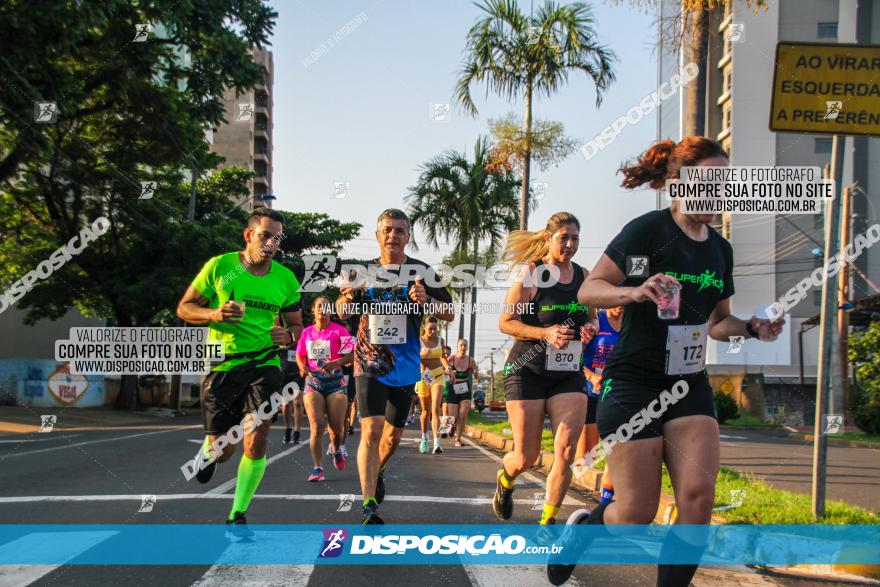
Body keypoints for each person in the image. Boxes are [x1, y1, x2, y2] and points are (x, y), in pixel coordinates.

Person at [547, 138, 785, 586]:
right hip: (634, 380)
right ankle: (582, 532)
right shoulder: (648, 231)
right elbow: (589, 289)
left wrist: (752, 328)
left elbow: (718, 323)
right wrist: (634, 291)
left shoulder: (720, 250)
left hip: (687, 384)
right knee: (635, 514)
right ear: (679, 180)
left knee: (698, 497)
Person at [176, 208, 303, 539]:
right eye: (265, 235)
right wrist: (214, 313)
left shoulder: (286, 279)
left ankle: (237, 513)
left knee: (257, 430)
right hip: (223, 363)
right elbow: (185, 308)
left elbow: (297, 327)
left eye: (277, 238)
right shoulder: (221, 267)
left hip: (264, 363)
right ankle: (208, 453)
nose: (271, 243)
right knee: (224, 447)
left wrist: (288, 336)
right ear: (249, 236)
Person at [336, 208, 454, 524]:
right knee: (371, 431)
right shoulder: (360, 271)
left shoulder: (422, 271)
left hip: (405, 365)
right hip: (368, 361)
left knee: (392, 438)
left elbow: (450, 313)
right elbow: (342, 310)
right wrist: (347, 300)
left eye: (400, 230)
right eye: (387, 229)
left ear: (407, 237)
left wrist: (426, 299)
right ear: (377, 235)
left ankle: (380, 468)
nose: (393, 235)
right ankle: (369, 505)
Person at [493, 212, 594, 528]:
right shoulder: (532, 274)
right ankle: (506, 479)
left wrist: (590, 328)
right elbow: (506, 322)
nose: (570, 244)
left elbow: (592, 316)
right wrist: (545, 332)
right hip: (528, 370)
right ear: (549, 239)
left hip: (567, 371)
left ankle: (547, 522)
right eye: (564, 237)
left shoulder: (584, 276)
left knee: (565, 451)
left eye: (575, 238)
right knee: (526, 457)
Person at [295, 296, 354, 481]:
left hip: (335, 382)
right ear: (313, 310)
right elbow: (300, 355)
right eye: (319, 306)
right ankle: (317, 468)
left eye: (326, 306)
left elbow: (352, 355)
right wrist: (302, 367)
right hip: (314, 382)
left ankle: (335, 449)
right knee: (317, 426)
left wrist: (337, 362)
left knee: (336, 429)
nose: (323, 309)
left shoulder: (340, 331)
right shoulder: (306, 333)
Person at [576, 307, 623, 504]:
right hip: (591, 392)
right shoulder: (596, 322)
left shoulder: (632, 322)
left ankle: (605, 502)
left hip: (619, 393)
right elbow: (575, 356)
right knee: (585, 459)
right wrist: (590, 376)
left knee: (616, 447)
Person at [416, 318, 448, 453]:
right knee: (425, 411)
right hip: (423, 377)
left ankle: (437, 443)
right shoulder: (418, 341)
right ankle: (424, 439)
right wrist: (422, 357)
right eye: (430, 329)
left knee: (435, 408)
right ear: (424, 327)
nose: (433, 332)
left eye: (435, 329)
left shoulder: (440, 341)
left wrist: (448, 367)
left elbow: (442, 356)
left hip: (438, 376)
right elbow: (413, 357)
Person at [446, 339, 478, 447]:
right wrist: (449, 371)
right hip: (453, 387)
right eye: (461, 345)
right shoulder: (452, 358)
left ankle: (458, 439)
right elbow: (443, 369)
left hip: (465, 387)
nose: (463, 348)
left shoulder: (470, 360)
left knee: (463, 413)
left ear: (467, 347)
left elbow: (476, 373)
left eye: (465, 346)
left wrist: (475, 373)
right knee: (452, 417)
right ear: (457, 347)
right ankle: (451, 426)